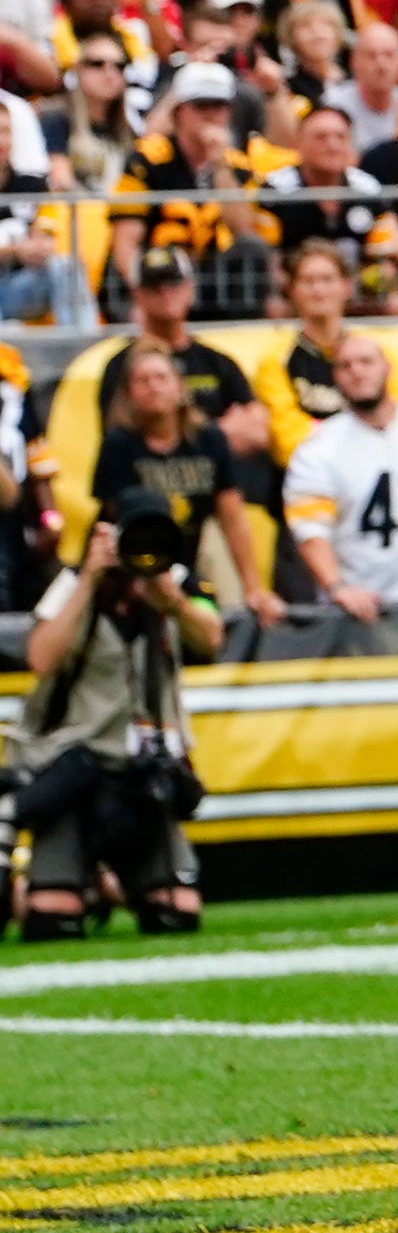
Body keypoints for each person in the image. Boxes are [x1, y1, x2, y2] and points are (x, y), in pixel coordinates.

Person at [14, 351, 222, 940]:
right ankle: (51, 886)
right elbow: (40, 658)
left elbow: (211, 636)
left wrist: (169, 597)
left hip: (143, 772)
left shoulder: (176, 586)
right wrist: (89, 579)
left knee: (175, 916)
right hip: (76, 766)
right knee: (54, 926)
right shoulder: (76, 585)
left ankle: (116, 882)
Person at [279, 330, 398, 649]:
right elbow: (311, 532)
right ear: (335, 378)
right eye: (345, 366)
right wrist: (337, 587)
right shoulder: (318, 448)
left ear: (388, 368)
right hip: (360, 613)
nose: (357, 371)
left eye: (366, 361)